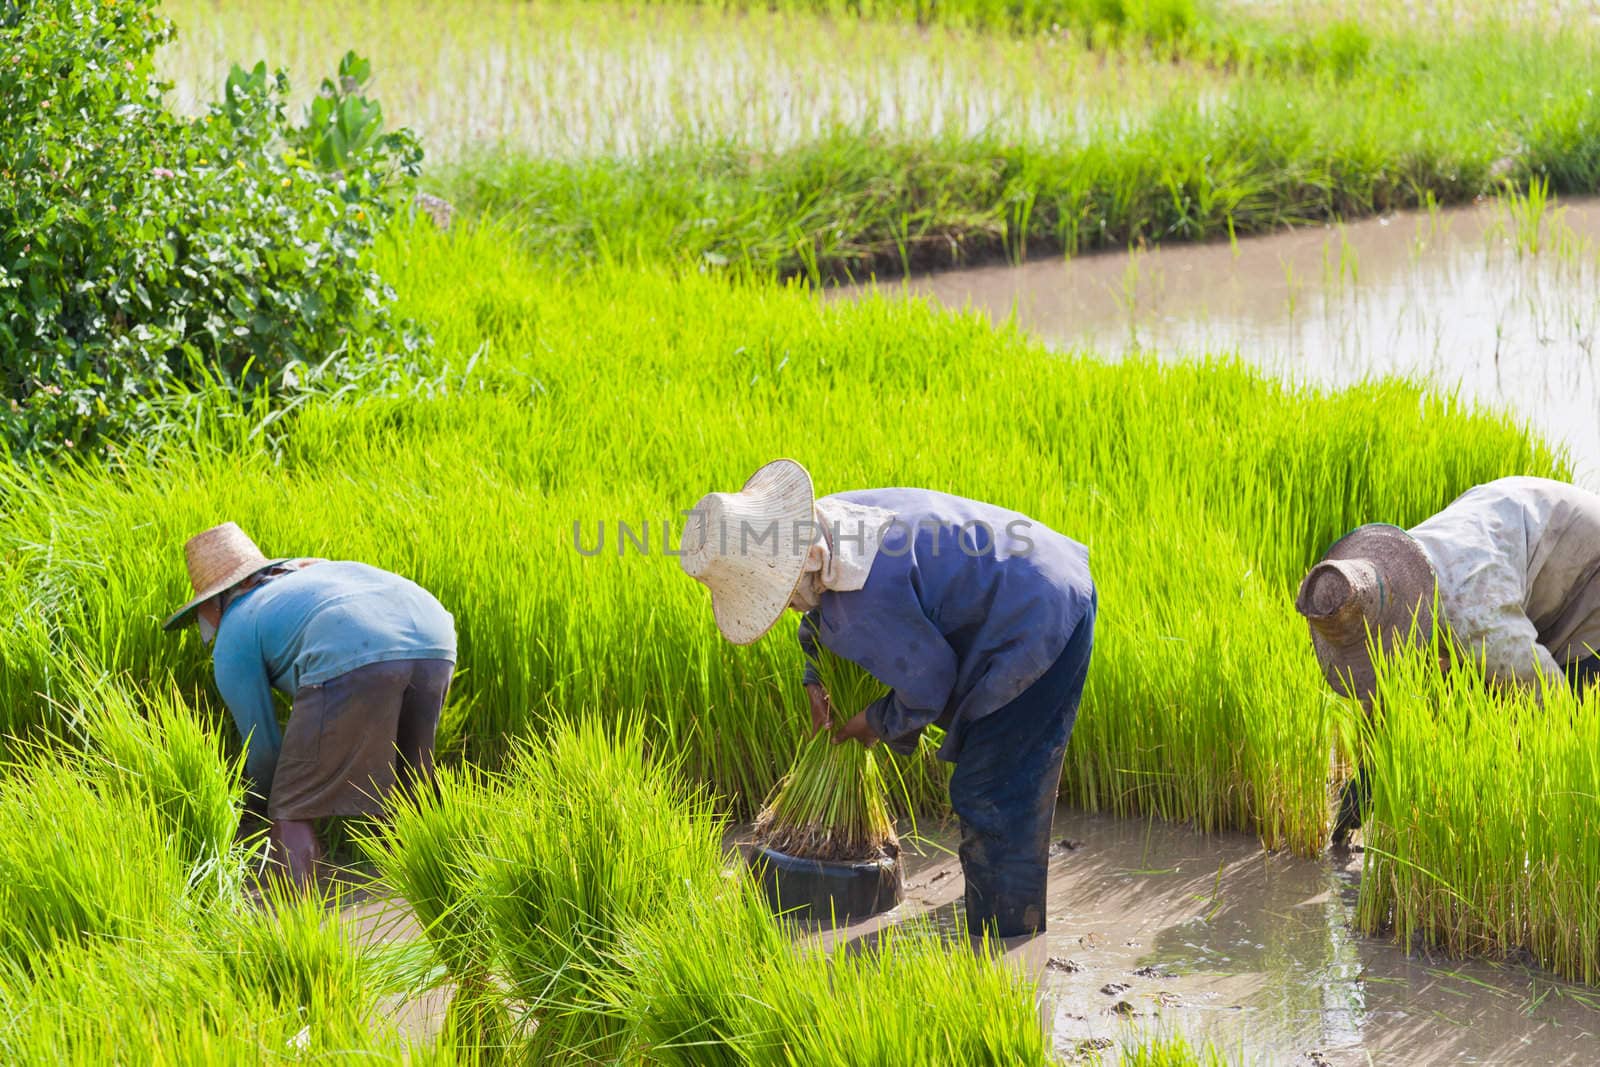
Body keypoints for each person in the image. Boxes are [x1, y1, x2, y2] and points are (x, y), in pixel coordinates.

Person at [679, 459, 1096, 939]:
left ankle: (1009, 938)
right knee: (997, 785)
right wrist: (816, 679)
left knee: (994, 792)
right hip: (1035, 569)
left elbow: (928, 684)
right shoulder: (835, 523)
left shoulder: (863, 603)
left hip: (1039, 618)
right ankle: (998, 909)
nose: (788, 606)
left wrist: (871, 723)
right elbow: (821, 612)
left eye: (782, 596)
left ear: (799, 565)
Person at [1295, 475, 1600, 841]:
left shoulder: (1473, 612)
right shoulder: (1392, 571)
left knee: (1575, 708)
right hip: (1520, 533)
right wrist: (1358, 796)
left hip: (1586, 568)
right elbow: (1397, 703)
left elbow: (1548, 697)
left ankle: (1570, 838)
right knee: (1469, 686)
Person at [163, 522, 457, 885]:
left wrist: (262, 806)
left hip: (352, 645)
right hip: (436, 640)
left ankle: (293, 923)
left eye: (200, 616)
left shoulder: (236, 627)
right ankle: (442, 896)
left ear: (213, 602)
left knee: (292, 807)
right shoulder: (309, 576)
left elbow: (263, 747)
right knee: (413, 790)